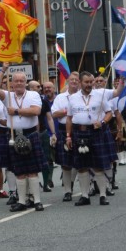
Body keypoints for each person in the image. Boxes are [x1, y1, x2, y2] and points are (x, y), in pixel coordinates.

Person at [0, 66, 46, 212]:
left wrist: (16, 111)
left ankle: (37, 201)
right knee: (19, 170)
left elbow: (36, 111)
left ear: (26, 82)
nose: (19, 83)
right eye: (16, 81)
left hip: (30, 133)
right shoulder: (7, 96)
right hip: (14, 135)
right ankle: (22, 201)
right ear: (12, 83)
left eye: (22, 80)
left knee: (33, 170)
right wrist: (3, 70)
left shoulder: (33, 95)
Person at [63, 71, 121, 206]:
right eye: (86, 82)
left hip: (96, 132)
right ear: (80, 82)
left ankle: (102, 195)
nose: (89, 85)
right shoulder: (72, 98)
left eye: (91, 82)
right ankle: (84, 196)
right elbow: (69, 118)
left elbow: (109, 113)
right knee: (81, 167)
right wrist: (68, 136)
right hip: (79, 133)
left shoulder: (100, 95)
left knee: (98, 165)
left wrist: (103, 123)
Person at [49, 72, 80, 201]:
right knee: (66, 164)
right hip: (63, 130)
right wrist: (67, 111)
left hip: (80, 130)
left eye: (76, 80)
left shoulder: (84, 96)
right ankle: (68, 191)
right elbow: (54, 114)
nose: (74, 81)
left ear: (80, 82)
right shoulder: (60, 97)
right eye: (71, 79)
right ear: (67, 81)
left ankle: (76, 184)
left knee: (80, 162)